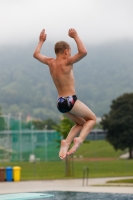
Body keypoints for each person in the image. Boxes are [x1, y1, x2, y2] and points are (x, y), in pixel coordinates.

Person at [33, 28, 96, 159]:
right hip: (70, 100)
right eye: (70, 52)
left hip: (60, 103)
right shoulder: (67, 62)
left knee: (80, 123)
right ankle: (79, 140)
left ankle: (66, 142)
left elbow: (36, 54)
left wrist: (40, 41)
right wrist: (76, 36)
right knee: (92, 119)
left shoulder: (50, 62)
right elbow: (83, 52)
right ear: (66, 51)